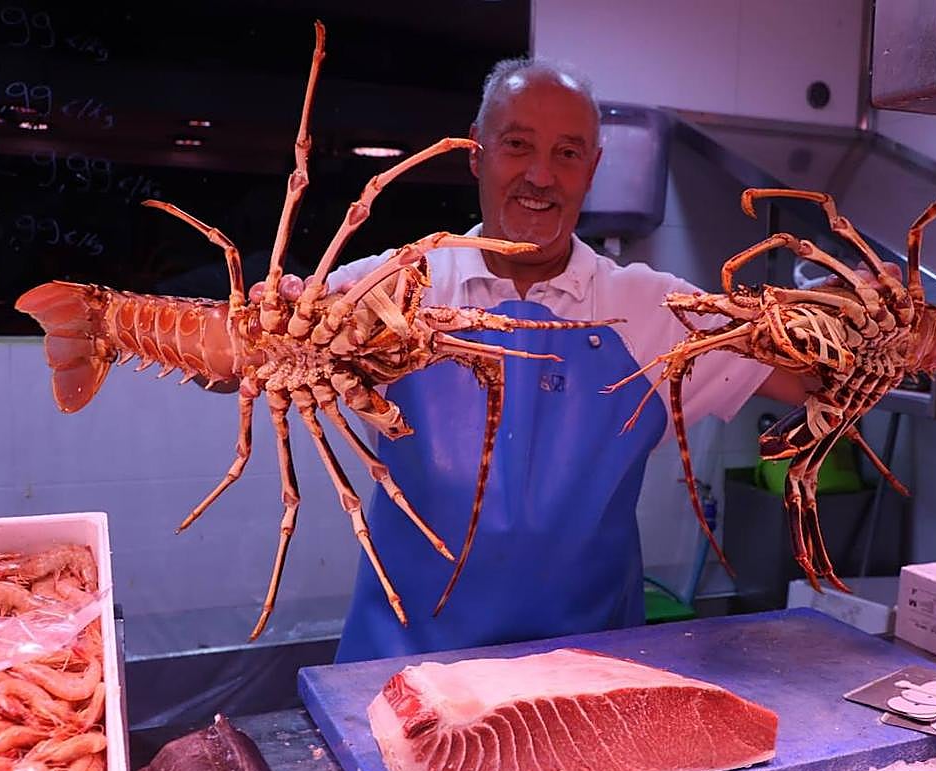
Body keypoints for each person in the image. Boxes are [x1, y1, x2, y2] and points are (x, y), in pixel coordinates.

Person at [267, 58, 807, 663]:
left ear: (593, 168)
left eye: (568, 153)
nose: (540, 175)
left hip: (590, 679)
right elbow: (241, 360)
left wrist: (873, 319)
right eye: (517, 145)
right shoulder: (387, 291)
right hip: (400, 669)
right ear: (476, 153)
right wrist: (267, 320)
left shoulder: (654, 308)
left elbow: (810, 376)